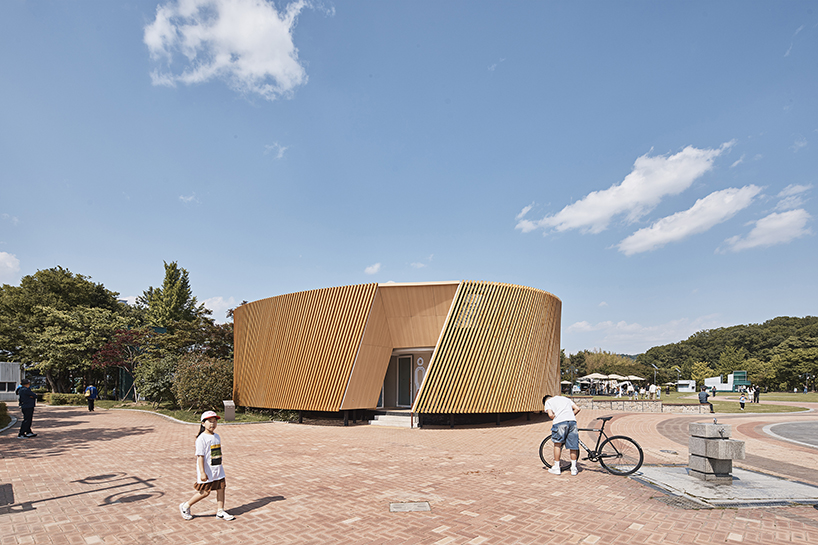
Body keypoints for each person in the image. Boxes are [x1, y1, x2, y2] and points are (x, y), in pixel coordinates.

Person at [179, 411, 235, 521]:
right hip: (207, 470)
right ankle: (185, 506)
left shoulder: (217, 436)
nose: (213, 424)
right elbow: (200, 457)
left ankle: (220, 511)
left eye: (215, 421)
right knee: (205, 492)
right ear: (203, 423)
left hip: (218, 468)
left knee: (221, 488)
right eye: (210, 421)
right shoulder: (201, 438)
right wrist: (202, 472)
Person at [542, 394, 581, 476]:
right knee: (573, 445)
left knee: (557, 444)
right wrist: (569, 416)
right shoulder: (565, 399)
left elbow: (550, 415)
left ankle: (557, 468)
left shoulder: (548, 402)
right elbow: (577, 409)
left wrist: (557, 417)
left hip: (560, 422)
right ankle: (573, 468)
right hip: (572, 421)